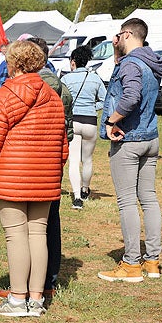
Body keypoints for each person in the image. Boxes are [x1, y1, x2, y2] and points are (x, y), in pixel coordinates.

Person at [0, 40, 69, 318]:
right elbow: (63, 146)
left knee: (16, 237)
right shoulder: (53, 97)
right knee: (38, 234)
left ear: (12, 63)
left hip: (12, 177)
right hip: (45, 177)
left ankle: (16, 299)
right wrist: (52, 171)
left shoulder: (1, 97)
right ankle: (36, 300)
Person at [98, 18, 162, 283]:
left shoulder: (130, 64)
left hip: (128, 140)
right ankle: (152, 261)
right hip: (151, 137)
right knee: (148, 199)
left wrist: (111, 120)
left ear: (126, 34)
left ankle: (130, 264)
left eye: (118, 36)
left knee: (126, 201)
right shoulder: (152, 62)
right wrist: (117, 55)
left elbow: (130, 95)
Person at [26, 36, 72, 297]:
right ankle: (49, 280)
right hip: (54, 160)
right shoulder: (62, 87)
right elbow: (69, 129)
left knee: (28, 226)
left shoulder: (31, 87)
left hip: (30, 162)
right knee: (50, 221)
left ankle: (30, 283)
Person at [60, 45, 107, 209]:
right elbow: (104, 99)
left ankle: (77, 197)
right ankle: (85, 189)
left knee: (73, 160)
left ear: (73, 62)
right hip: (90, 121)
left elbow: (61, 100)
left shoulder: (66, 79)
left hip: (73, 121)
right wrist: (92, 108)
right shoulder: (95, 78)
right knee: (87, 159)